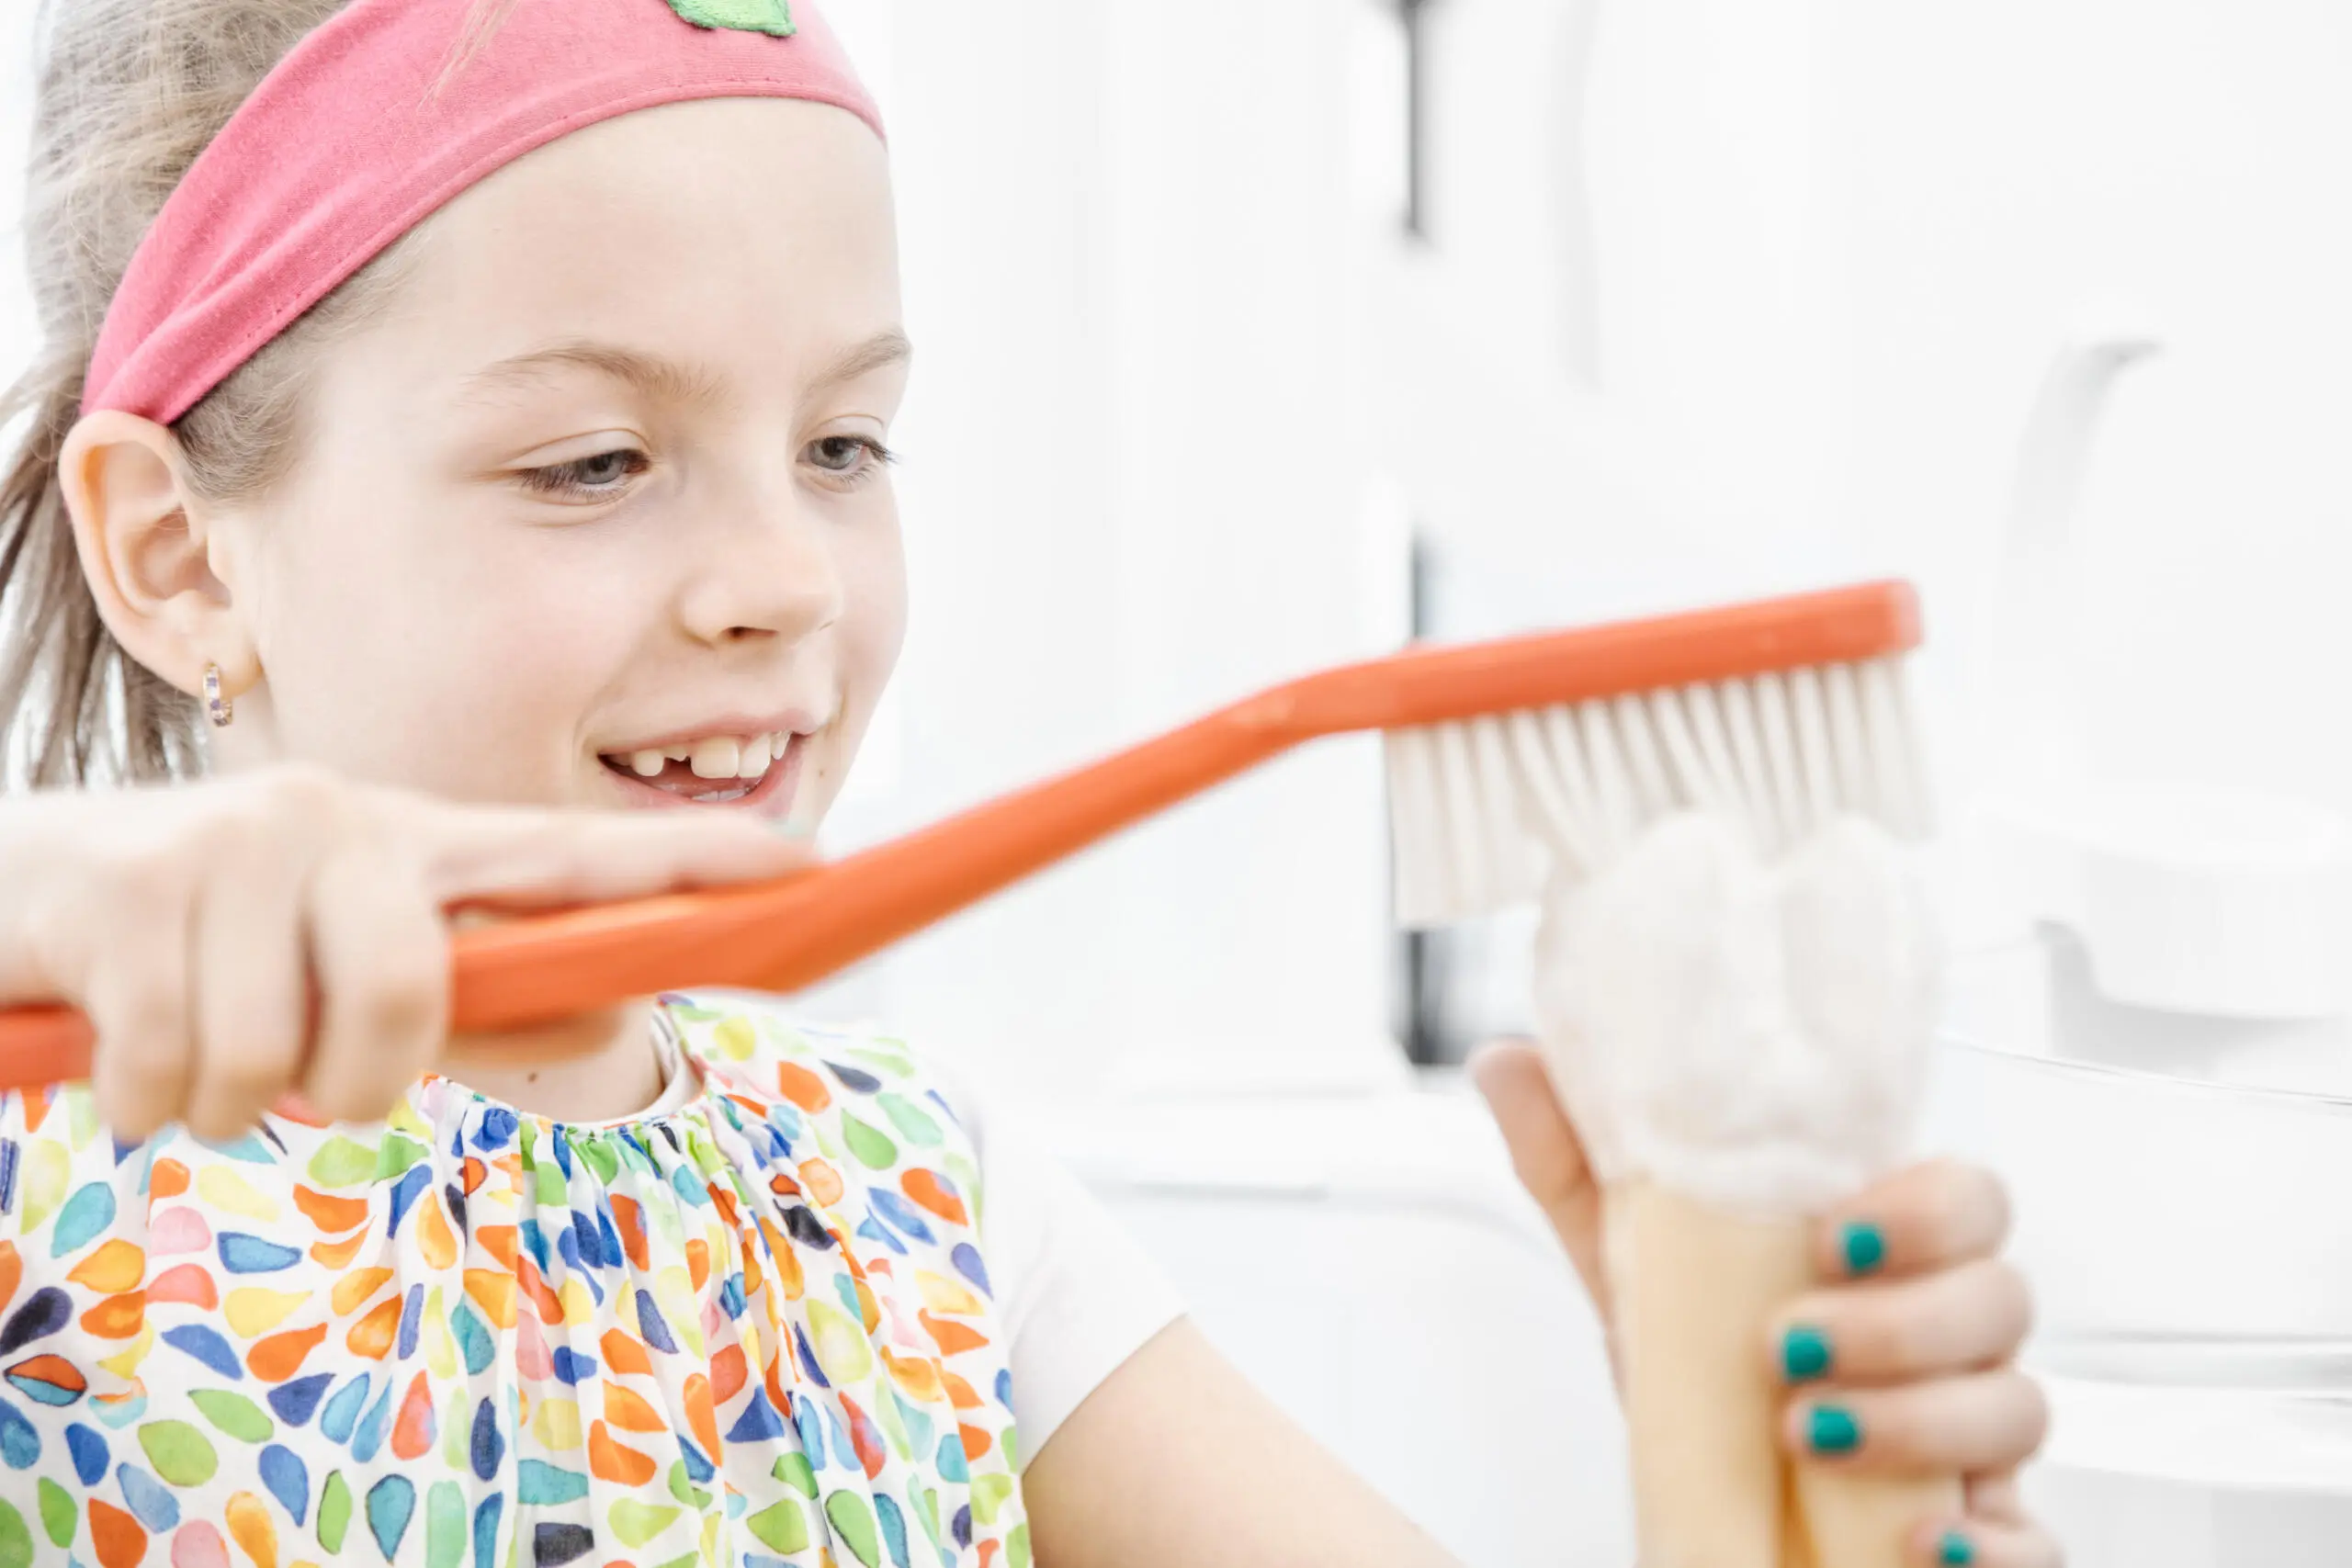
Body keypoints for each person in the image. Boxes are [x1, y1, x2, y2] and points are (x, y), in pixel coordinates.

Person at [0, 1, 2055, 1562]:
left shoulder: (917, 1200)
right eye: (592, 463)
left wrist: (1759, 1464)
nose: (786, 580)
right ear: (180, 556)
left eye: (844, 443)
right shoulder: (43, 1176)